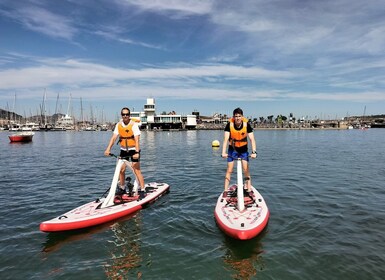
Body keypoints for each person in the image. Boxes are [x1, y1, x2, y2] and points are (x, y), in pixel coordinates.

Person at [104, 107, 146, 199]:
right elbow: (114, 138)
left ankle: (142, 189)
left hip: (133, 150)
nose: (125, 116)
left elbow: (137, 139)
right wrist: (108, 149)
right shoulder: (118, 125)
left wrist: (137, 152)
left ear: (129, 115)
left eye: (127, 114)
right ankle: (122, 188)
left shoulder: (134, 125)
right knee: (121, 170)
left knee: (136, 170)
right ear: (121, 115)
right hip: (123, 150)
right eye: (123, 114)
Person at [221, 107, 257, 198]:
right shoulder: (229, 125)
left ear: (242, 117)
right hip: (232, 150)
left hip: (244, 150)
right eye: (236, 116)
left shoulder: (246, 125)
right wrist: (223, 152)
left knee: (246, 169)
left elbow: (252, 139)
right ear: (233, 117)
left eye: (239, 116)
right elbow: (225, 140)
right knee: (229, 169)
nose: (237, 118)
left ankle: (249, 190)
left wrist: (254, 152)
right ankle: (225, 191)